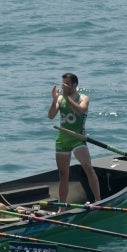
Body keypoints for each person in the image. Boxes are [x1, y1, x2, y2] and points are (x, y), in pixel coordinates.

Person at [48, 72, 101, 210]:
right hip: (62, 140)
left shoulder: (83, 98)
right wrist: (55, 100)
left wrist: (67, 98)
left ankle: (98, 200)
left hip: (78, 138)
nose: (63, 86)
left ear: (75, 85)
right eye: (63, 83)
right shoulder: (60, 98)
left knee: (87, 167)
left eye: (66, 83)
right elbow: (51, 116)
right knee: (63, 174)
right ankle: (62, 207)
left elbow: (80, 111)